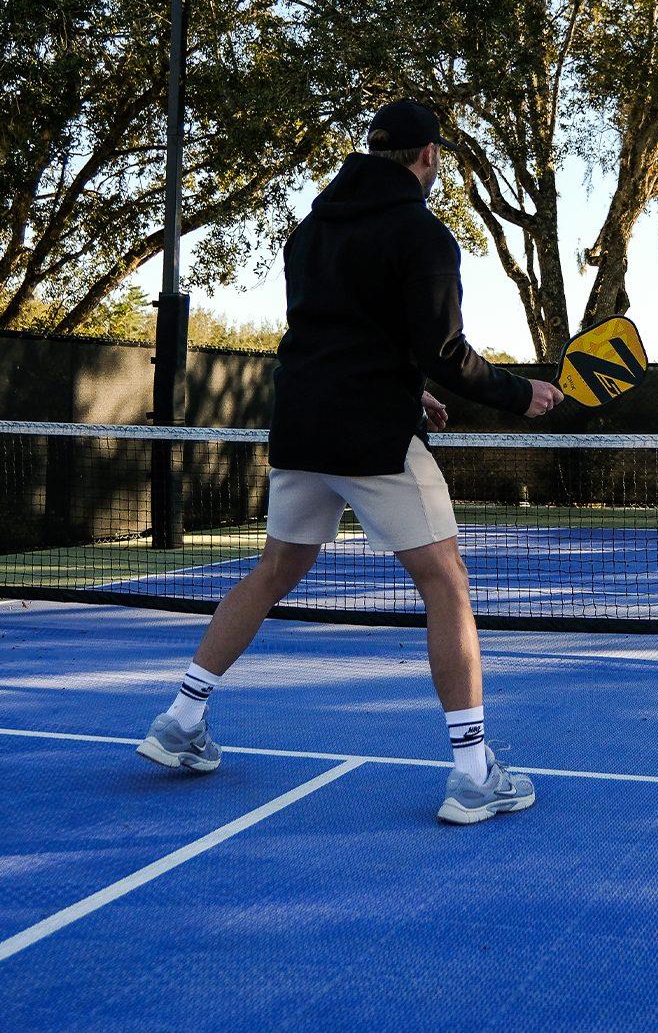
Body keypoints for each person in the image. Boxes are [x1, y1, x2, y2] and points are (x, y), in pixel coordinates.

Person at [137, 98, 564, 825]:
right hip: (371, 442)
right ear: (428, 157)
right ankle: (472, 776)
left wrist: (411, 394)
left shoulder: (309, 232)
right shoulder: (423, 234)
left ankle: (179, 720)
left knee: (274, 570)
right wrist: (519, 392)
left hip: (302, 426)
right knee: (447, 584)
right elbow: (444, 351)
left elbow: (347, 335)